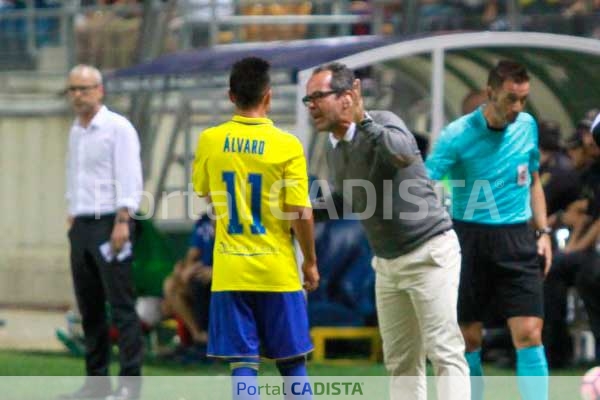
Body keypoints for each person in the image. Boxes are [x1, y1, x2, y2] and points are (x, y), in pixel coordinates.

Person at [305, 62, 469, 400]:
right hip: (388, 264)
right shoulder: (333, 147)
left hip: (429, 254)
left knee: (444, 352)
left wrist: (364, 120)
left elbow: (404, 154)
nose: (312, 106)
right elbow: (347, 199)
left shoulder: (383, 122)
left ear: (348, 97)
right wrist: (297, 214)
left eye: (318, 97)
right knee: (400, 362)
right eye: (308, 100)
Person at [192, 57, 319, 398]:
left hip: (231, 269)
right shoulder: (287, 145)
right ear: (269, 96)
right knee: (292, 362)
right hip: (276, 270)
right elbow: (300, 212)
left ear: (231, 96)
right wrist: (310, 261)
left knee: (243, 364)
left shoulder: (210, 140)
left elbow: (206, 192)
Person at [426, 60, 553, 400]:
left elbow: (534, 180)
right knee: (467, 338)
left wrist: (543, 234)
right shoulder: (456, 136)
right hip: (468, 237)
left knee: (529, 332)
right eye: (511, 98)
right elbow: (424, 184)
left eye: (523, 99)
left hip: (516, 237)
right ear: (490, 92)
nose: (518, 107)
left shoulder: (527, 126)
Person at [60, 64, 143, 400]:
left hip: (111, 222)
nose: (78, 95)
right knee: (90, 308)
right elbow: (73, 174)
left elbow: (129, 175)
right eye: (73, 90)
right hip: (82, 223)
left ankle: (129, 385)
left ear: (100, 90)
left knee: (121, 306)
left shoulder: (117, 128)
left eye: (84, 88)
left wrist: (124, 219)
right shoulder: (76, 131)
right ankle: (96, 384)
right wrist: (71, 212)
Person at [161, 213, 214, 357]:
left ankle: (206, 341)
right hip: (199, 273)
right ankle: (197, 337)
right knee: (171, 284)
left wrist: (215, 270)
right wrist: (184, 269)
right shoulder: (204, 221)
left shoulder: (234, 218)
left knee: (200, 283)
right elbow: (193, 253)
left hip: (222, 275)